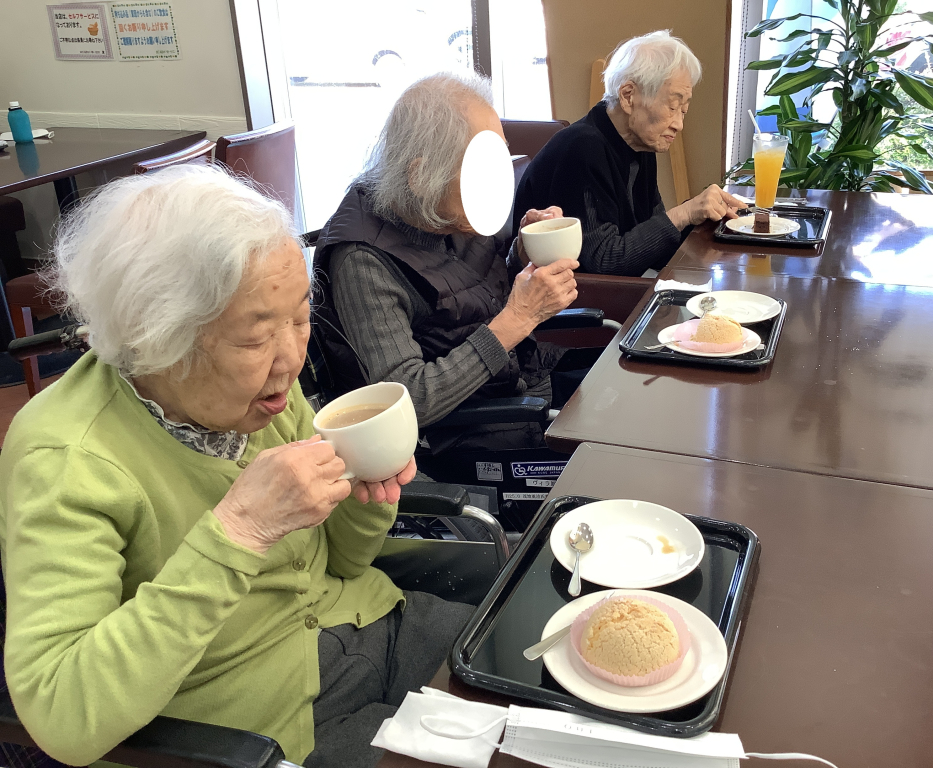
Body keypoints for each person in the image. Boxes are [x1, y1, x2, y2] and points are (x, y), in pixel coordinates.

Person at [0, 165, 468, 768]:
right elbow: (62, 716)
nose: (291, 360)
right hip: (264, 732)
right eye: (254, 339)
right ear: (154, 340)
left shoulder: (263, 394)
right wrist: (240, 531)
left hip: (370, 622)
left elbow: (345, 564)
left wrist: (364, 492)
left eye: (301, 317)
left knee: (538, 665)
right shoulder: (69, 458)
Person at [314, 72, 599, 455]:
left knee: (629, 379)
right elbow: (407, 400)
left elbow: (471, 291)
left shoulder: (445, 208)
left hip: (522, 377)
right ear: (420, 176)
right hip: (473, 430)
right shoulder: (362, 262)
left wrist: (523, 253)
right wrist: (519, 318)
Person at [513, 30, 745, 276]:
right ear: (628, 96)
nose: (679, 124)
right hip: (558, 294)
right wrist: (684, 213)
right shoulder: (582, 148)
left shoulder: (639, 144)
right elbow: (602, 263)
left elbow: (653, 247)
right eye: (672, 107)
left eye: (683, 111)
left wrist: (703, 215)